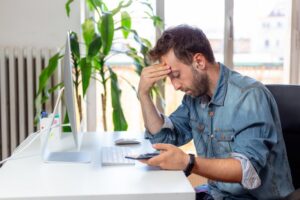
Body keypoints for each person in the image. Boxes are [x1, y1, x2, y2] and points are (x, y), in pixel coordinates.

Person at [137, 25, 294, 199]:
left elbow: (246, 169)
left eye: (176, 75)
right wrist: (143, 95)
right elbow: (165, 136)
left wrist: (187, 162)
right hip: (217, 195)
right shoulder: (194, 98)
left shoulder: (248, 97)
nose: (175, 85)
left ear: (199, 62)